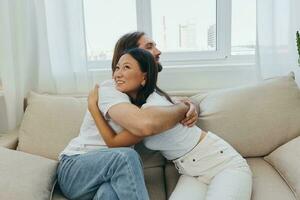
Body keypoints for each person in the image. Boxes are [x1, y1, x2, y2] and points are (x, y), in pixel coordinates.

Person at [88, 48, 253, 200]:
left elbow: (117, 141)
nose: (118, 74)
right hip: (191, 173)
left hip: (223, 164)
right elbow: (115, 143)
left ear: (144, 76)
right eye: (117, 68)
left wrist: (93, 108)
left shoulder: (151, 110)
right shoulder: (139, 110)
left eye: (126, 67)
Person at [57, 32, 198, 200]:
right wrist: (182, 108)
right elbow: (145, 125)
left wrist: (189, 105)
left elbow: (179, 104)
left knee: (110, 194)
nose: (158, 51)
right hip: (76, 168)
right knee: (126, 156)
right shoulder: (110, 90)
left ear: (143, 76)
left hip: (103, 178)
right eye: (149, 47)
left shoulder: (146, 98)